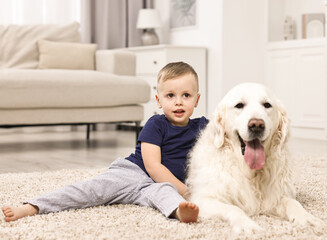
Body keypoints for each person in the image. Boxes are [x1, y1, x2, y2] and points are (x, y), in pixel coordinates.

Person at [1, 62, 208, 223]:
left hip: (160, 185)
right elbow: (153, 166)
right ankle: (32, 207)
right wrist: (185, 190)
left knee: (165, 194)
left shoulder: (202, 127)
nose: (178, 101)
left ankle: (180, 212)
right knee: (90, 190)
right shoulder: (156, 124)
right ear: (158, 100)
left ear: (197, 100)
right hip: (134, 173)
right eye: (170, 95)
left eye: (186, 95)